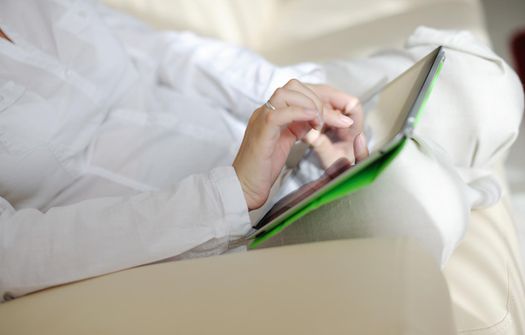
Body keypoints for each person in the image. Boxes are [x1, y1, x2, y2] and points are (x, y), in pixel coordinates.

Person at [1, 1, 523, 302]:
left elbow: (160, 52)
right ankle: (424, 171)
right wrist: (231, 193)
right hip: (206, 225)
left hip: (256, 127)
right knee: (426, 205)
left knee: (484, 84)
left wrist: (291, 95)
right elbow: (13, 255)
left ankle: (408, 164)